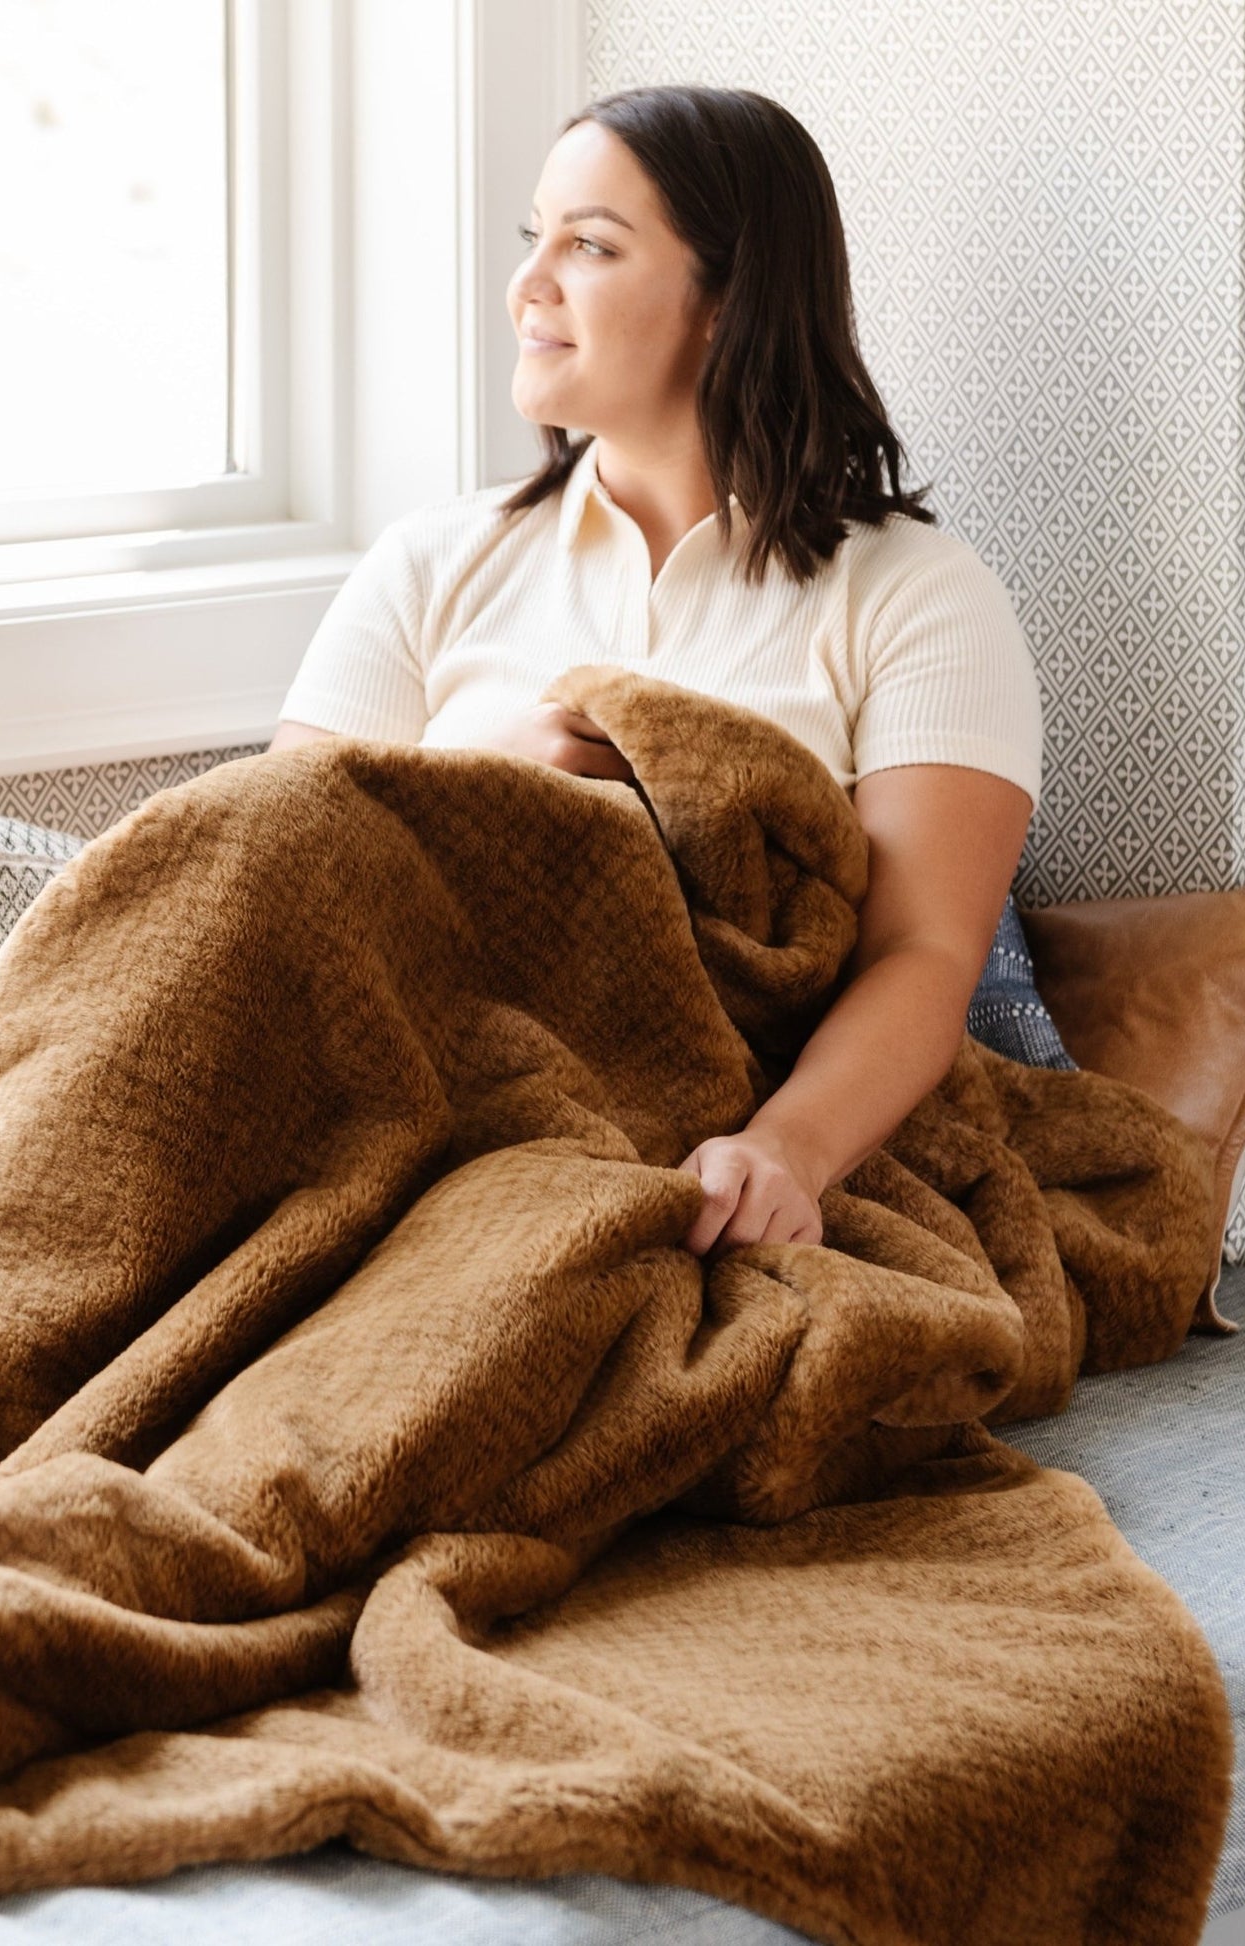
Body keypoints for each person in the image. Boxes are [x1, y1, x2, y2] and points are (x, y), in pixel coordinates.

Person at [269, 85, 1042, 1261]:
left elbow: (920, 955)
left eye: (587, 244)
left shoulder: (912, 595)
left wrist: (784, 1149)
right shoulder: (427, 563)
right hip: (382, 1116)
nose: (528, 284)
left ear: (726, 303)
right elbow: (273, 871)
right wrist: (478, 790)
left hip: (647, 1141)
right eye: (535, 238)